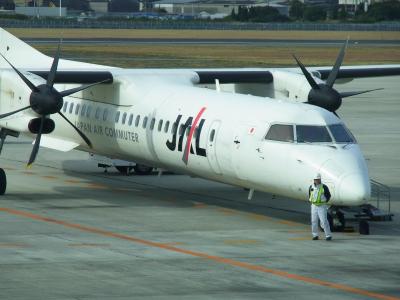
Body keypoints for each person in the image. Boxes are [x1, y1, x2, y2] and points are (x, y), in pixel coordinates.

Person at [309, 173, 332, 241]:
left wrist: (324, 202)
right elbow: (310, 194)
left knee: (324, 221)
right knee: (314, 221)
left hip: (322, 206)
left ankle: (328, 235)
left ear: (320, 179)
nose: (316, 180)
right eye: (315, 179)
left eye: (318, 179)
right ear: (314, 180)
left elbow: (328, 195)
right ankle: (315, 235)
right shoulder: (311, 187)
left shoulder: (324, 187)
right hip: (314, 205)